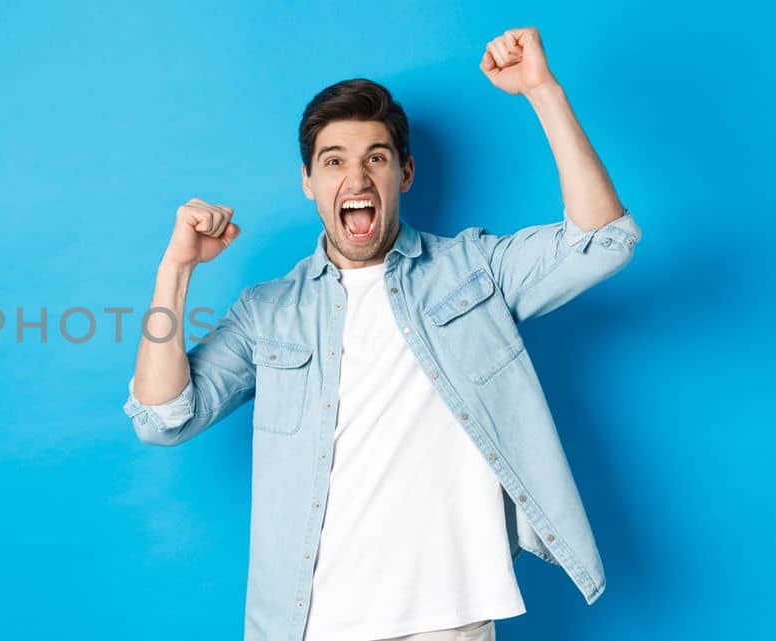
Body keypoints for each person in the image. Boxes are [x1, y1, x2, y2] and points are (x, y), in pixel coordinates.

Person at [123, 27, 641, 641]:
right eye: (333, 160)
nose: (357, 176)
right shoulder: (268, 311)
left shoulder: (474, 270)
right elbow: (162, 418)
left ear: (406, 172)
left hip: (449, 619)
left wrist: (542, 90)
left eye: (376, 157)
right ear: (309, 182)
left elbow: (603, 242)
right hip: (310, 624)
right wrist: (175, 270)